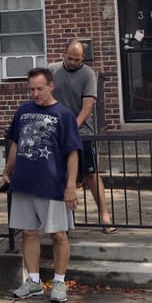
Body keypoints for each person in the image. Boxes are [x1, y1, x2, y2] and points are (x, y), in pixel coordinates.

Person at [2, 67, 81, 303]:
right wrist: (8, 170)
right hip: (24, 182)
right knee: (28, 232)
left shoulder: (64, 115)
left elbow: (73, 153)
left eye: (40, 89)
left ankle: (59, 283)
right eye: (31, 89)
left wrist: (70, 186)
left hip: (53, 185)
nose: (35, 94)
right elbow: (16, 143)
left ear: (51, 86)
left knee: (58, 234)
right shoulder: (23, 111)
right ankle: (33, 281)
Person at [50, 39, 115, 233]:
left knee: (91, 173)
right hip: (55, 132)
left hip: (82, 131)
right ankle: (63, 221)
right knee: (57, 175)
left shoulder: (88, 74)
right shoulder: (51, 70)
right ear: (64, 54)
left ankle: (105, 216)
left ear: (83, 58)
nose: (73, 62)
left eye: (77, 60)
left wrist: (72, 127)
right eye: (70, 58)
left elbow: (87, 107)